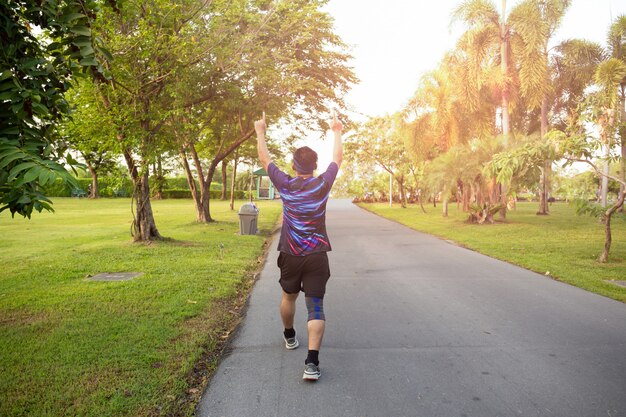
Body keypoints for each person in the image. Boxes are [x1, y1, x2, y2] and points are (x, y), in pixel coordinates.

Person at [255, 110, 343, 381]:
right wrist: (336, 130)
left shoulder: (286, 184)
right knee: (315, 305)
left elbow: (264, 159)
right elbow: (337, 158)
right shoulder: (322, 184)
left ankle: (290, 336)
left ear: (294, 166)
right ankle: (312, 364)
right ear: (314, 167)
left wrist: (260, 131)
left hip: (291, 254)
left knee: (288, 297)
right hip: (317, 255)